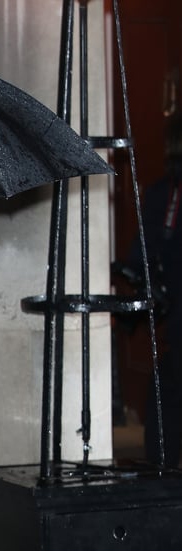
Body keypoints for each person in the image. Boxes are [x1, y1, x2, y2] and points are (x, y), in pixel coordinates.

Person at [127, 115, 182, 466]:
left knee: (166, 397)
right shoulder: (168, 193)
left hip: (176, 312)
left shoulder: (168, 192)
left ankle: (161, 475)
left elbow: (142, 254)